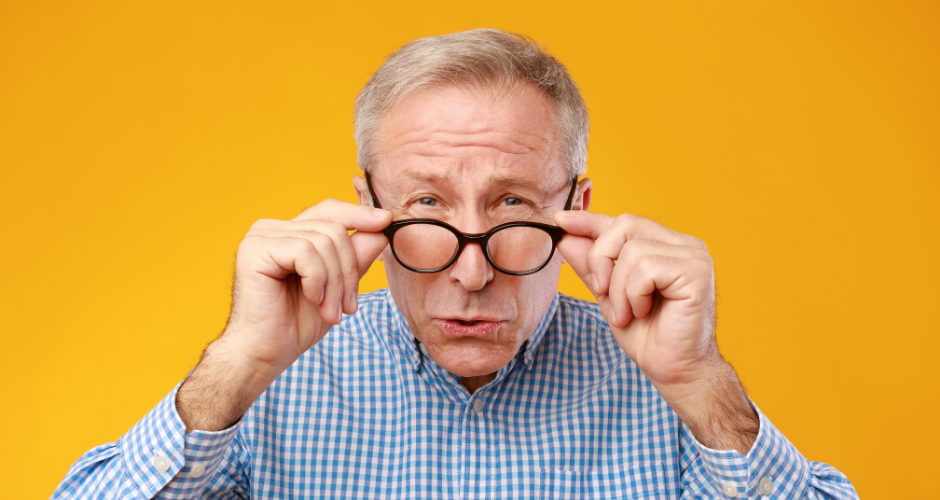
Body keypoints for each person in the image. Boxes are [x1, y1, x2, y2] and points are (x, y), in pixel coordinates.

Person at [54, 29, 857, 499]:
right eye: (428, 208)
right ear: (367, 204)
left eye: (512, 206)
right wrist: (232, 366)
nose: (471, 273)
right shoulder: (277, 379)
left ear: (575, 210)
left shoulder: (667, 385)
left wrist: (706, 387)